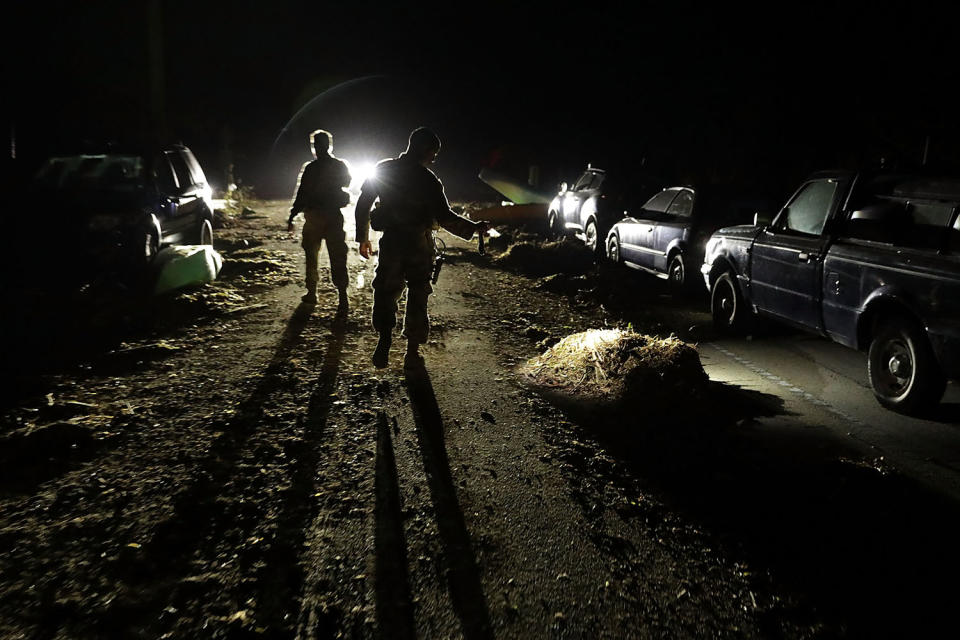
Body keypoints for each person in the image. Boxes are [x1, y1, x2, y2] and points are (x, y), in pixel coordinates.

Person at [355, 127, 488, 369]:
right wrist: (474, 228)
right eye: (433, 153)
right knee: (418, 292)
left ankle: (384, 338)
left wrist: (363, 237)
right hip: (418, 243)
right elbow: (445, 216)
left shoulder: (384, 169)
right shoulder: (428, 179)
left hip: (392, 242)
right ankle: (412, 350)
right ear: (425, 150)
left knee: (385, 290)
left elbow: (363, 203)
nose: (434, 158)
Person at [287, 129, 352, 312]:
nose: (316, 148)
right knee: (334, 256)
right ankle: (341, 297)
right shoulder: (338, 165)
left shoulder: (311, 168)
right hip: (329, 216)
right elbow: (347, 183)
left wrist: (293, 215)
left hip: (316, 217)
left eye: (317, 145)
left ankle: (315, 293)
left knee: (316, 256)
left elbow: (302, 195)